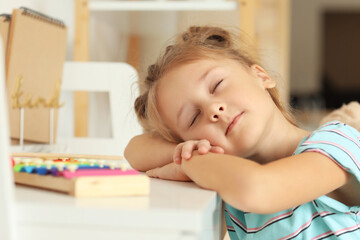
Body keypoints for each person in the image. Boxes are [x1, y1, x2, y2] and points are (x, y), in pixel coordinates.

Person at [124, 26, 360, 239]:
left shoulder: (337, 142)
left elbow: (257, 190)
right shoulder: (228, 176)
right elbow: (134, 149)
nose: (213, 110)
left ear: (261, 76)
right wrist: (189, 153)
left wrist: (188, 163)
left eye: (217, 85)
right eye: (193, 117)